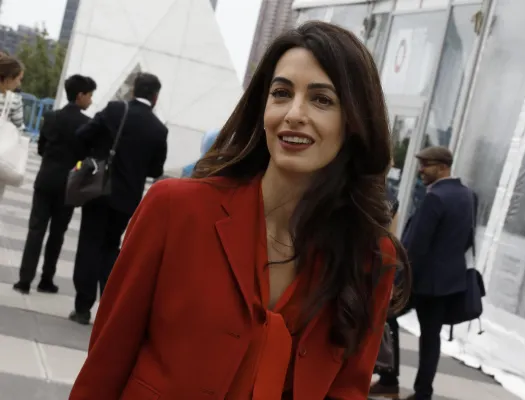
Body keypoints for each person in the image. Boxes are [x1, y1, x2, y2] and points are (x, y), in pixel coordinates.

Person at [68, 21, 411, 399]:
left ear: (355, 122)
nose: (294, 113)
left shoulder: (371, 255)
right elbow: (106, 362)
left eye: (322, 100)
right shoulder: (174, 209)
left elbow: (347, 391)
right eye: (281, 93)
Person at [372, 146, 476, 400]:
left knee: (384, 316)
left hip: (421, 281)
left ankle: (389, 379)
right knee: (431, 338)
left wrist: (397, 281)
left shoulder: (435, 198)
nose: (421, 170)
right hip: (448, 282)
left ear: (442, 167)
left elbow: (416, 245)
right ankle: (422, 393)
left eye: (426, 165)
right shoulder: (468, 195)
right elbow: (468, 239)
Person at [69, 72, 168, 325]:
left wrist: (97, 154)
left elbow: (83, 134)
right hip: (127, 199)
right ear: (155, 97)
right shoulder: (158, 129)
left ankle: (82, 307)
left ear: (134, 90)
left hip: (98, 190)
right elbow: (155, 169)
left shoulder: (115, 110)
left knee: (89, 244)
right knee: (111, 247)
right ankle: (109, 306)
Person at [13, 75, 97, 295]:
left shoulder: (51, 117)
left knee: (36, 230)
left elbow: (41, 148)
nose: (90, 100)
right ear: (80, 95)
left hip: (46, 179)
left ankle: (24, 280)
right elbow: (87, 156)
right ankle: (46, 279)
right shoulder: (87, 124)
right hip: (69, 184)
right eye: (89, 96)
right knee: (57, 234)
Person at [0, 53, 25, 200]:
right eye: (19, 79)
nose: (19, 84)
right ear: (9, 78)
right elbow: (18, 131)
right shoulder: (14, 101)